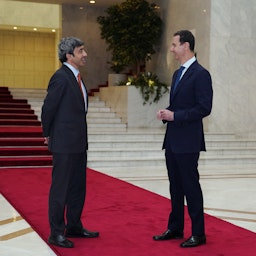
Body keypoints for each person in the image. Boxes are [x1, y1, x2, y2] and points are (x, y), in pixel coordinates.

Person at [153, 30, 213, 248]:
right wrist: (167, 112)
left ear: (185, 46)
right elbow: (179, 106)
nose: (171, 49)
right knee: (175, 187)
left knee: (190, 186)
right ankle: (176, 227)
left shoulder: (201, 74)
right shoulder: (178, 74)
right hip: (172, 140)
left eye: (174, 45)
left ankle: (199, 233)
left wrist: (175, 116)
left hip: (188, 142)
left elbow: (204, 108)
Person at [41, 37, 99, 248]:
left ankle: (73, 225)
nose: (85, 54)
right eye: (80, 51)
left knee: (77, 187)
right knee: (61, 188)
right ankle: (56, 232)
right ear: (69, 55)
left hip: (78, 143)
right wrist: (47, 132)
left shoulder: (77, 77)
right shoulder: (61, 77)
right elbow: (48, 108)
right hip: (64, 143)